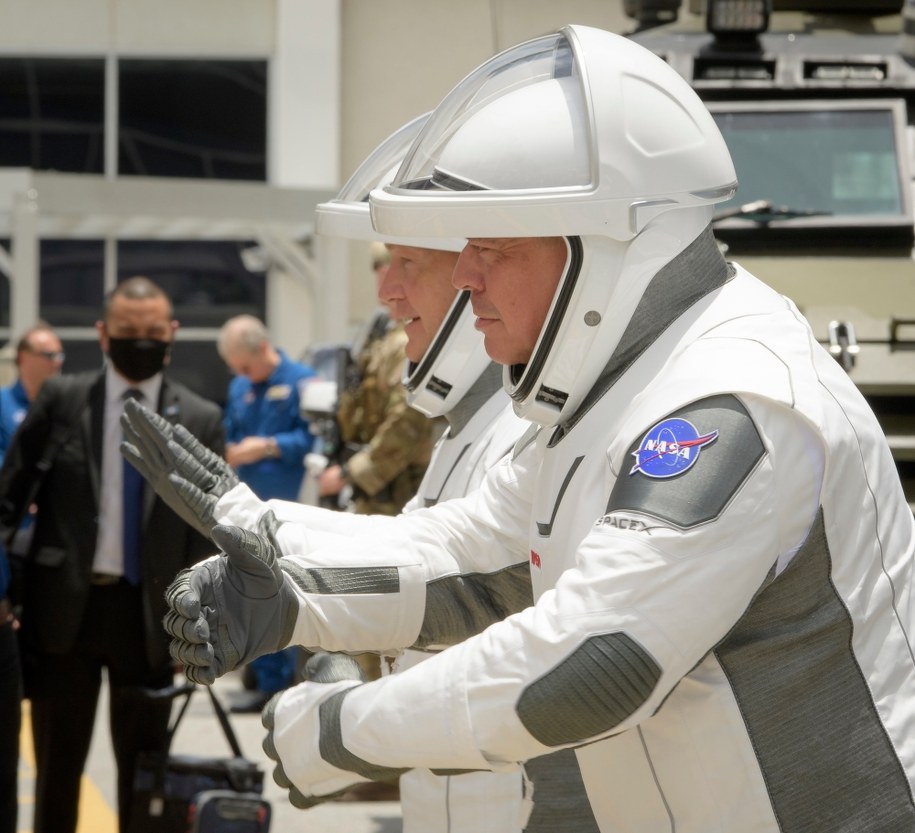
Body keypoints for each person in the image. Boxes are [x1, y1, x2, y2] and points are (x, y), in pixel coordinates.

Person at [136, 25, 915, 832]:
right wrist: (288, 587)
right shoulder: (619, 390)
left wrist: (337, 731)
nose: (464, 274)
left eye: (494, 245)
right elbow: (479, 561)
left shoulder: (731, 399)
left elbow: (592, 662)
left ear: (609, 247)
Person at [0, 276, 224, 833]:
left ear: (172, 333)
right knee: (56, 768)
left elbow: (209, 531)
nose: (139, 342)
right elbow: (10, 499)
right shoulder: (61, 399)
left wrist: (199, 623)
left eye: (152, 332)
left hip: (151, 619)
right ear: (102, 334)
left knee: (145, 776)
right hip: (61, 615)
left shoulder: (199, 417)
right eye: (127, 332)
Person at [217, 313, 315, 713]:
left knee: (279, 593)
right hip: (245, 507)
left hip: (290, 509)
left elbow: (314, 438)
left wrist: (267, 446)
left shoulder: (303, 381)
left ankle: (279, 685)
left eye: (243, 363)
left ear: (261, 348)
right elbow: (227, 433)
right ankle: (260, 676)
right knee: (249, 592)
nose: (240, 373)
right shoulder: (241, 386)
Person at [317, 242, 440, 517]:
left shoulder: (406, 340)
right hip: (381, 487)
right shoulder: (383, 336)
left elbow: (409, 418)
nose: (383, 284)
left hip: (397, 489)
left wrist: (355, 472)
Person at [0, 322, 63, 833]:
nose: (57, 361)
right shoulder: (4, 408)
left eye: (61, 353)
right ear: (23, 357)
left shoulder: (64, 408)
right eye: (47, 353)